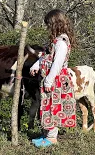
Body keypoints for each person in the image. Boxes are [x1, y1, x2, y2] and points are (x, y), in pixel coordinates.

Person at [30, 9, 77, 147]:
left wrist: (49, 80)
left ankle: (51, 138)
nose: (47, 28)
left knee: (52, 108)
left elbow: (57, 63)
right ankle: (46, 135)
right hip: (50, 79)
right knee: (46, 106)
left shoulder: (61, 42)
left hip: (56, 80)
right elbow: (46, 56)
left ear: (54, 24)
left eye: (48, 25)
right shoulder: (55, 41)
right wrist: (36, 66)